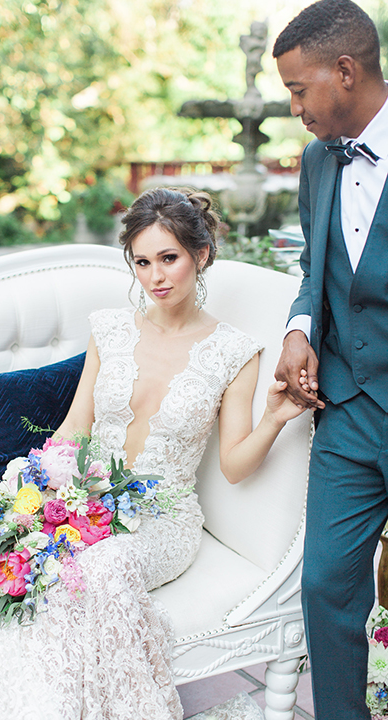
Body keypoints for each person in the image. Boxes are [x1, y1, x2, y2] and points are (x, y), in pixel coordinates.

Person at [0, 187, 303, 720]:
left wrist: (273, 418)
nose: (156, 276)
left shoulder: (234, 351)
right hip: (90, 506)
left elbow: (234, 466)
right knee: (67, 565)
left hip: (164, 518)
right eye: (142, 261)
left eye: (169, 258)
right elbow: (75, 428)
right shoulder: (107, 328)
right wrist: (25, 493)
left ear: (201, 255)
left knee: (98, 566)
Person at [272, 1, 388, 718]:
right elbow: (315, 264)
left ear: (345, 71)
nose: (294, 109)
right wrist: (298, 327)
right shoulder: (318, 160)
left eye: (297, 89)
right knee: (326, 586)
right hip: (344, 408)